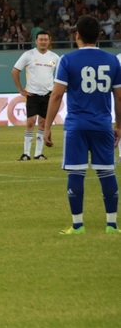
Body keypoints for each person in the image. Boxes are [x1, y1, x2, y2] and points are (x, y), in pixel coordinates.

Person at [43, 15, 121, 235]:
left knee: (76, 173)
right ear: (99, 35)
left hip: (76, 125)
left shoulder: (67, 60)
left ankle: (77, 225)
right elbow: (119, 97)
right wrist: (119, 126)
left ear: (77, 34)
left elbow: (57, 95)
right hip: (102, 125)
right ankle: (112, 225)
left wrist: (47, 127)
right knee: (106, 172)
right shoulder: (112, 60)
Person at [12, 30, 59, 160]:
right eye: (41, 39)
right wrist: (21, 89)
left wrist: (55, 88)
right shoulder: (28, 55)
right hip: (32, 94)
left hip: (48, 95)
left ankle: (38, 153)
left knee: (43, 123)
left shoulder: (55, 57)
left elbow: (60, 75)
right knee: (30, 123)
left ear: (49, 41)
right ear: (36, 41)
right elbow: (15, 71)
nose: (43, 42)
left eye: (45, 39)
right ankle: (26, 153)